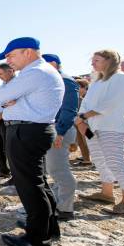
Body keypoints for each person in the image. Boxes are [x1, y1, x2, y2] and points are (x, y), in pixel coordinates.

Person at [0, 37, 64, 246]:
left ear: (28, 52)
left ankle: (36, 239)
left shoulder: (35, 73)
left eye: (11, 55)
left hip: (26, 132)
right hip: (34, 130)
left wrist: (7, 100)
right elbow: (6, 99)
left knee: (29, 186)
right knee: (38, 182)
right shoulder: (39, 73)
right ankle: (48, 228)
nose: (8, 60)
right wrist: (11, 100)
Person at [77, 50, 124, 215]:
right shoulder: (97, 81)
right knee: (99, 159)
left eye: (96, 60)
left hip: (112, 127)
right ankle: (107, 192)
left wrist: (83, 116)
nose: (92, 63)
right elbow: (86, 102)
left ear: (109, 61)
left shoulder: (121, 78)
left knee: (116, 161)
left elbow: (109, 103)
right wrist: (80, 121)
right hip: (92, 128)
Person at [42, 54, 79, 221]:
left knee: (58, 169)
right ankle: (58, 203)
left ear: (53, 64)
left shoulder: (66, 81)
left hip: (59, 130)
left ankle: (65, 209)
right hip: (52, 129)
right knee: (52, 169)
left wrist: (61, 132)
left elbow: (69, 110)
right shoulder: (53, 81)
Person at [71, 78, 92, 166]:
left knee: (89, 141)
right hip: (77, 124)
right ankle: (86, 159)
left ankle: (93, 159)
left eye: (78, 87)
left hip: (87, 124)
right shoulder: (76, 98)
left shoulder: (87, 99)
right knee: (81, 142)